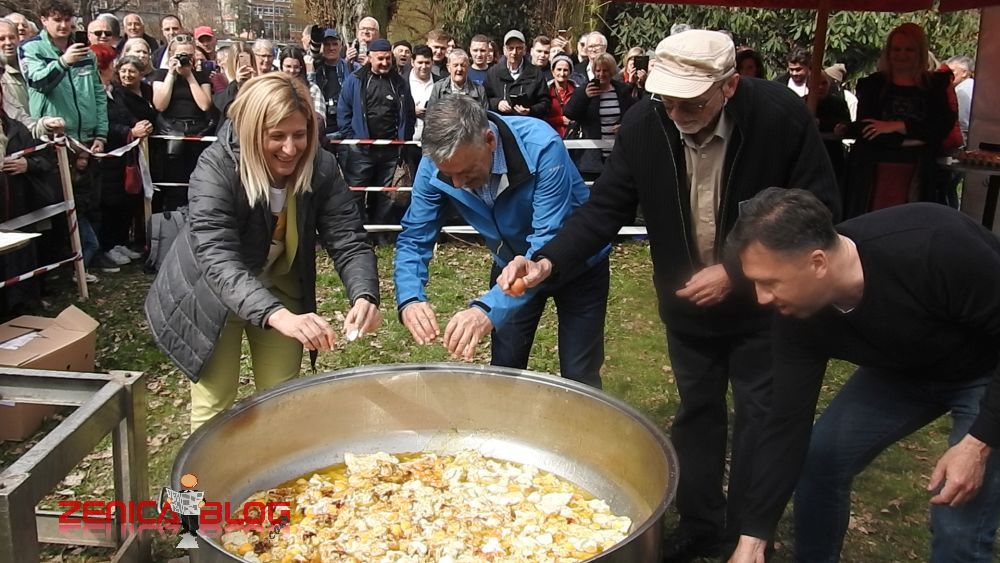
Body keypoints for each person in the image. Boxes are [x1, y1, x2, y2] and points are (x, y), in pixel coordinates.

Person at [496, 30, 840, 562]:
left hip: (765, 303)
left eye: (691, 103)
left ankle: (748, 535)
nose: (676, 113)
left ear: (729, 86)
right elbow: (604, 209)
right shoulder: (644, 124)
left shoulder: (780, 117)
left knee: (759, 414)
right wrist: (547, 261)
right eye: (667, 101)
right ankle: (700, 523)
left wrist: (735, 271)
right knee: (697, 413)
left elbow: (819, 208)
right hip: (687, 305)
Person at [725, 188, 1000, 563]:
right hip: (903, 371)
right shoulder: (797, 315)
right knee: (820, 459)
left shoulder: (933, 245)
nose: (762, 298)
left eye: (770, 282)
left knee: (957, 515)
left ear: (818, 263)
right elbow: (787, 421)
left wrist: (977, 444)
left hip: (987, 371)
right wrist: (753, 538)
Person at [145, 73, 381, 431]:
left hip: (281, 287)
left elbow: (347, 236)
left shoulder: (321, 167)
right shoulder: (215, 167)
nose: (290, 148)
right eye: (277, 136)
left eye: (299, 135)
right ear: (253, 131)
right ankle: (201, 472)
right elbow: (217, 256)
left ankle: (273, 468)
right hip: (212, 294)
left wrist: (364, 294)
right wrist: (277, 316)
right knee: (214, 403)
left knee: (282, 400)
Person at [395, 95, 611, 388]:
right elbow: (415, 236)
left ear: (489, 140)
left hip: (576, 264)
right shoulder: (434, 167)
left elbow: (547, 239)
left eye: (466, 172)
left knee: (579, 374)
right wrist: (410, 298)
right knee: (504, 369)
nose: (456, 183)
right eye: (449, 174)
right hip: (509, 267)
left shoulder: (542, 146)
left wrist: (487, 309)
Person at [20, 0, 115, 277]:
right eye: (56, 20)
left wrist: (101, 134)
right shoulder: (31, 48)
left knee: (89, 203)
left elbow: (98, 95)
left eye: (67, 19)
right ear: (43, 20)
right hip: (55, 141)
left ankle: (87, 260)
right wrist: (62, 63)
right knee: (63, 208)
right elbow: (37, 82)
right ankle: (66, 265)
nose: (63, 25)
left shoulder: (85, 51)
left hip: (87, 139)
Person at [845, 23, 956, 216]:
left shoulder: (935, 87)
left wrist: (897, 126)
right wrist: (915, 138)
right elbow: (868, 131)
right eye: (896, 49)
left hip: (919, 176)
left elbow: (940, 128)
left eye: (909, 49)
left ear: (920, 52)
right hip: (871, 175)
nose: (902, 55)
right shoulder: (873, 85)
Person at [337, 38, 415, 236]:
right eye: (380, 59)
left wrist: (403, 140)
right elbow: (343, 112)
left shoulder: (400, 83)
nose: (384, 63)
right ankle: (356, 234)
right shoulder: (355, 80)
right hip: (361, 150)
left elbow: (409, 113)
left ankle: (380, 233)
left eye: (388, 58)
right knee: (356, 193)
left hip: (391, 151)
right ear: (370, 58)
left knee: (385, 196)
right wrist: (353, 139)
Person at [100, 54, 155, 265]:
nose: (125, 74)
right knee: (111, 203)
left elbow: (125, 115)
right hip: (111, 154)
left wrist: (140, 125)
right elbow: (104, 125)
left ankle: (120, 242)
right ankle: (108, 246)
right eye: (121, 70)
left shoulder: (115, 93)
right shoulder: (100, 95)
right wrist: (130, 131)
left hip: (126, 157)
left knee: (125, 201)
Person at [563, 52, 634, 181]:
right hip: (592, 154)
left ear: (612, 72)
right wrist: (585, 97)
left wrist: (623, 126)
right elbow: (570, 113)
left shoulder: (621, 90)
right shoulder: (584, 90)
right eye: (598, 70)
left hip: (617, 152)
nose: (601, 74)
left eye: (605, 70)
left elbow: (632, 113)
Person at [0, 18, 63, 138]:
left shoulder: (33, 68)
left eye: (12, 37)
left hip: (39, 138)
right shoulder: (3, 78)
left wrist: (44, 125)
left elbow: (20, 117)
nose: (8, 43)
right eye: (1, 39)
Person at [485, 30, 550, 120]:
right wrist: (497, 104)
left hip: (528, 121)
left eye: (519, 48)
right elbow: (484, 99)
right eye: (510, 48)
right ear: (504, 50)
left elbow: (545, 103)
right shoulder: (493, 72)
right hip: (501, 122)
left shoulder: (536, 73)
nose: (514, 52)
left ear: (524, 50)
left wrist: (530, 110)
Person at [311, 28, 356, 139]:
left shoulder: (351, 68)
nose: (331, 48)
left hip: (344, 129)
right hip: (321, 129)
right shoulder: (315, 68)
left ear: (341, 46)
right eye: (327, 44)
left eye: (334, 44)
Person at [279, 47, 325, 128]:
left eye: (296, 67)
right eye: (288, 66)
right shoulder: (274, 89)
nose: (292, 70)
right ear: (281, 67)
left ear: (301, 67)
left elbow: (320, 121)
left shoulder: (313, 89)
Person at [546, 54, 577, 138]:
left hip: (573, 138)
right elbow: (540, 118)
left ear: (570, 72)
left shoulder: (577, 92)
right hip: (550, 136)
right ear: (553, 71)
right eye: (559, 69)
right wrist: (560, 120)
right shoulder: (545, 91)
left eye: (565, 70)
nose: (562, 73)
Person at [946, 55, 974, 146]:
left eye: (952, 71)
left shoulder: (962, 90)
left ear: (964, 73)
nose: (948, 75)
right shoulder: (973, 85)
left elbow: (962, 121)